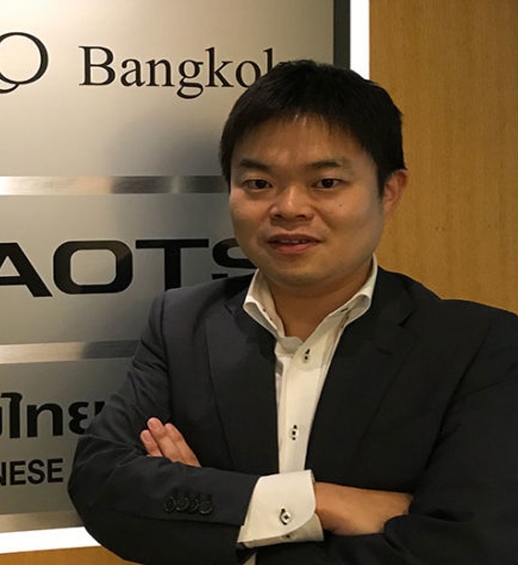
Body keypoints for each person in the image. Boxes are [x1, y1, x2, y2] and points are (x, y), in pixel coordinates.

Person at [67, 60, 518, 564]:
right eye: (259, 183)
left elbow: (470, 548)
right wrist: (320, 503)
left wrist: (223, 520)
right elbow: (101, 484)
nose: (289, 207)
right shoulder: (182, 324)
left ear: (389, 192)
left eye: (326, 182)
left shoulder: (479, 348)